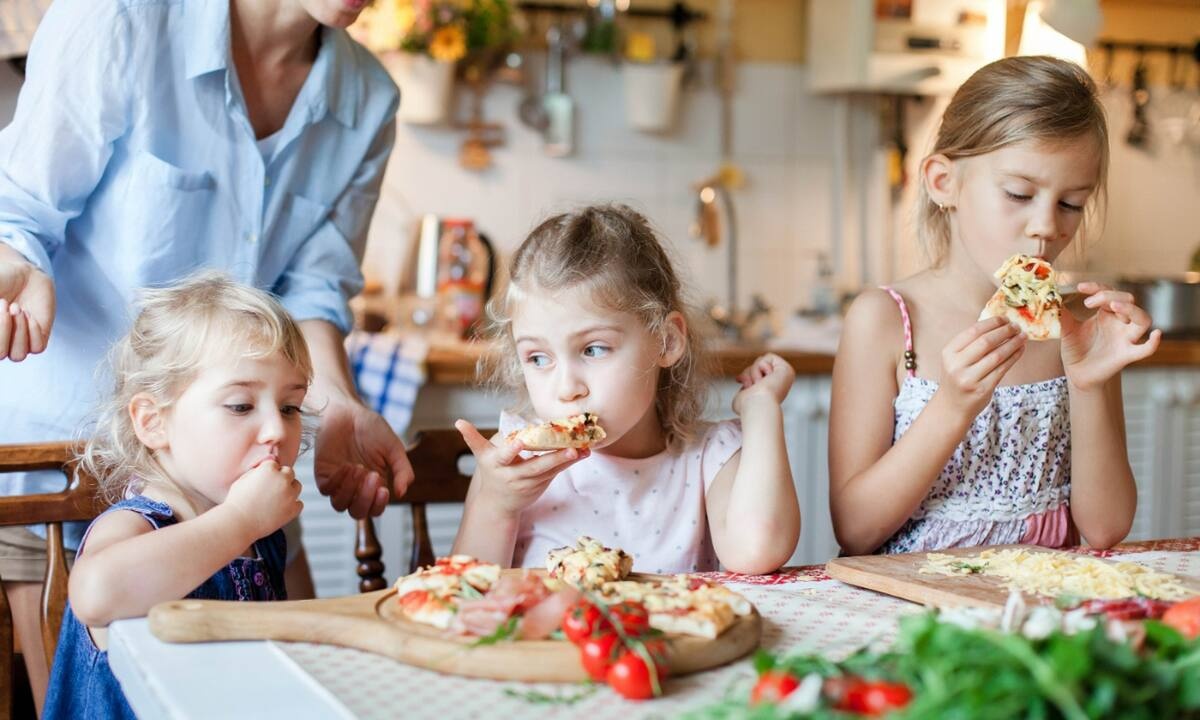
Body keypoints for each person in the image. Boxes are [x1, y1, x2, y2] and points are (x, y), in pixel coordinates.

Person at [0, 1, 413, 710]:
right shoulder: (120, 20)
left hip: (228, 474)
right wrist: (14, 263)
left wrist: (335, 401)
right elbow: (19, 211)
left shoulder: (367, 97)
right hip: (58, 467)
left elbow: (314, 287)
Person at [829, 56, 1161, 557]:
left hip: (1042, 607)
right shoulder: (885, 321)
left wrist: (1090, 383)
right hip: (918, 606)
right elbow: (855, 530)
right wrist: (953, 405)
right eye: (1019, 193)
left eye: (1071, 203)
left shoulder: (1076, 330)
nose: (1047, 227)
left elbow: (1107, 527)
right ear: (944, 183)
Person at [452, 204, 801, 575]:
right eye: (538, 358)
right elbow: (465, 595)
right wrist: (495, 504)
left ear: (666, 342)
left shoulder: (708, 457)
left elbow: (758, 550)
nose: (567, 388)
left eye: (594, 349)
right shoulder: (511, 463)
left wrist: (761, 408)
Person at [41, 272, 309, 718]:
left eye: (290, 407)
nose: (278, 429)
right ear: (153, 422)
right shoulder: (135, 525)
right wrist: (242, 519)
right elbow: (96, 592)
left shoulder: (259, 535)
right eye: (241, 405)